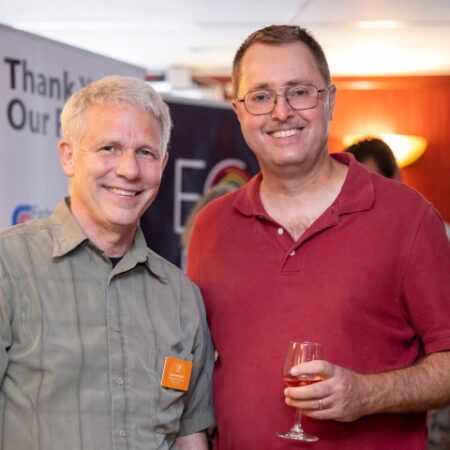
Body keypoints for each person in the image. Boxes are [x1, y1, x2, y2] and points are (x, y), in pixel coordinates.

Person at [186, 25, 450, 449]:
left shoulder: (409, 217)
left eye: (299, 92)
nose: (281, 112)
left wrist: (368, 394)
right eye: (261, 96)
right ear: (239, 111)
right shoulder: (211, 226)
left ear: (330, 100)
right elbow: (197, 363)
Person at [0, 75, 214, 450]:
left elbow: (189, 436)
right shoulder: (9, 266)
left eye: (145, 153)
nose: (129, 170)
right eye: (109, 148)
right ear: (68, 156)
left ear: (163, 164)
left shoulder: (182, 297)